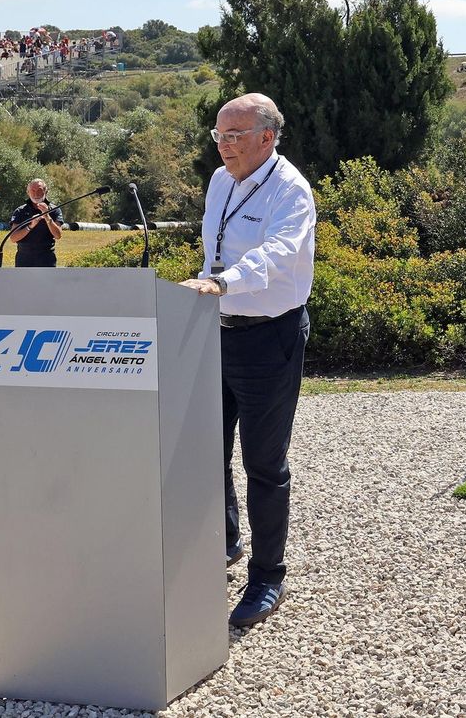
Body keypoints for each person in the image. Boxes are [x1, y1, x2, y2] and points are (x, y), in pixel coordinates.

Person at [179, 92, 315, 628]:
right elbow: (215, 249)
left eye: (233, 136)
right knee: (206, 450)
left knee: (264, 464)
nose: (223, 146)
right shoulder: (219, 182)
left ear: (267, 137)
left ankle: (267, 578)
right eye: (218, 135)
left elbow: (277, 254)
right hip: (216, 331)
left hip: (269, 339)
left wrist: (222, 282)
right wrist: (206, 283)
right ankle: (227, 541)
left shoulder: (291, 191)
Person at [9, 178, 64, 267]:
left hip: (47, 261)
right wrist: (30, 226)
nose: (36, 194)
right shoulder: (20, 211)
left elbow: (58, 235)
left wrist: (47, 216)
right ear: (28, 193)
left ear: (46, 192)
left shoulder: (55, 210)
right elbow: (13, 238)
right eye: (32, 191)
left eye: (39, 190)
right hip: (24, 261)